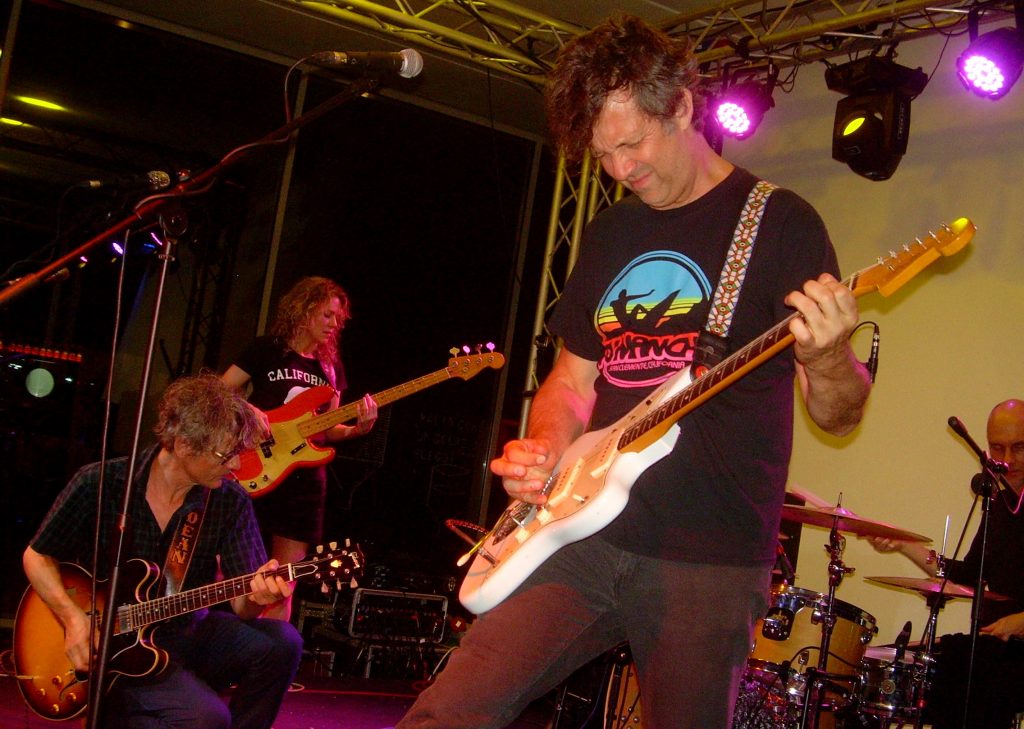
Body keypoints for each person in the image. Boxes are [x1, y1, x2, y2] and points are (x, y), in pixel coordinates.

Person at [395, 14, 871, 729]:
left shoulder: (780, 223)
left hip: (708, 555)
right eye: (603, 154)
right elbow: (571, 380)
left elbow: (838, 413)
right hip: (580, 536)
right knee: (451, 709)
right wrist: (545, 448)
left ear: (681, 105)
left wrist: (828, 355)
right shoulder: (612, 230)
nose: (620, 170)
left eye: (631, 143)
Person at [22, 373, 303, 729]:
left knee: (282, 642)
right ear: (184, 445)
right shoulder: (101, 482)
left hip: (187, 633)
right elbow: (36, 556)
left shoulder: (229, 501)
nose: (236, 466)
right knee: (206, 719)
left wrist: (258, 597)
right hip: (117, 648)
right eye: (226, 455)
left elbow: (242, 606)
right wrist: (73, 619)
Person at [222, 275, 377, 621]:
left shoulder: (331, 368)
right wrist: (249, 410)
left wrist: (357, 429)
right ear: (303, 310)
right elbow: (220, 389)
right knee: (233, 564)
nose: (334, 324)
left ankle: (272, 648)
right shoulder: (265, 349)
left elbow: (328, 428)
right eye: (326, 314)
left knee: (284, 579)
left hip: (304, 481)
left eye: (338, 318)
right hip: (257, 463)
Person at [869, 398, 1024, 728]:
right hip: (994, 653)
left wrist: (1020, 622)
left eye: (1019, 448)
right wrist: (904, 545)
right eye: (998, 448)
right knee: (894, 664)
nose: (1008, 460)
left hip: (1013, 655)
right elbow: (966, 577)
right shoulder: (1000, 505)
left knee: (965, 676)